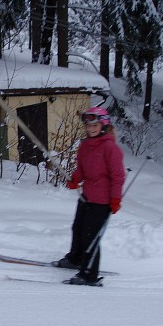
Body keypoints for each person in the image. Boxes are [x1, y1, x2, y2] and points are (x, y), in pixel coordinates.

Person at [54, 106, 125, 286]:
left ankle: (89, 275)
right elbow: (82, 169)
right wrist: (75, 179)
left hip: (102, 201)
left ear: (103, 125)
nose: (91, 128)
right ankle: (75, 259)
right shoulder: (85, 145)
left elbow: (118, 176)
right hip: (86, 196)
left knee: (90, 237)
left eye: (95, 125)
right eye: (88, 125)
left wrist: (115, 199)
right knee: (77, 229)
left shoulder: (110, 148)